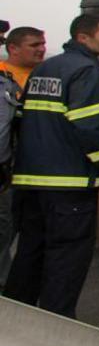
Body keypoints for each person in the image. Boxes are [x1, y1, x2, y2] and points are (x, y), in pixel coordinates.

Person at [3, 16, 99, 318]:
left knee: (30, 252)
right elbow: (89, 126)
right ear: (84, 38)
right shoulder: (86, 71)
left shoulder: (45, 68)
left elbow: (21, 121)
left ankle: (16, 318)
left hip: (31, 182)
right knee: (67, 256)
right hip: (68, 183)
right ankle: (58, 323)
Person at [0, 26, 48, 286]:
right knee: (4, 225)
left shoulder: (47, 75)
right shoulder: (2, 76)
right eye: (34, 45)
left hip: (35, 168)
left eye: (42, 43)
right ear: (13, 48)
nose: (41, 49)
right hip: (7, 166)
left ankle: (19, 286)